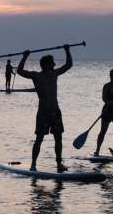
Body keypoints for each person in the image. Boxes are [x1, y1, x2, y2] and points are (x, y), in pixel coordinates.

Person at [17, 44, 72, 173]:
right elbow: (20, 71)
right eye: (52, 63)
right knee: (39, 139)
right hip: (43, 113)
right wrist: (25, 57)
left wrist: (67, 51)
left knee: (58, 138)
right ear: (46, 65)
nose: (54, 65)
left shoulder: (55, 74)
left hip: (55, 111)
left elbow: (69, 65)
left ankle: (59, 165)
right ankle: (33, 165)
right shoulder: (37, 76)